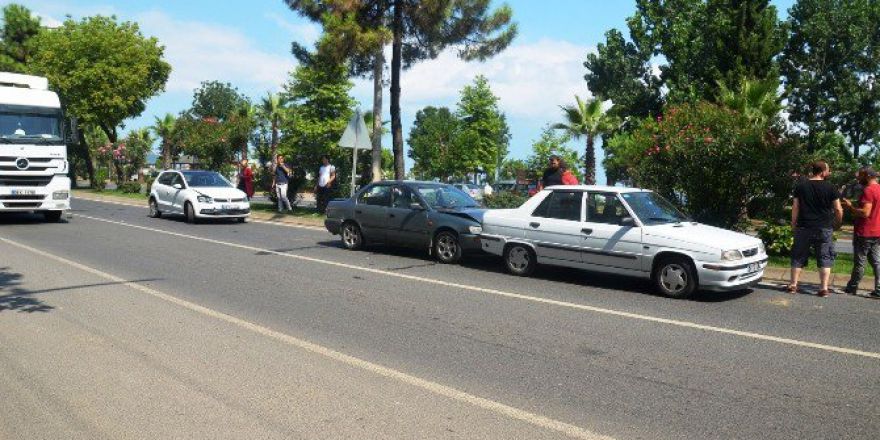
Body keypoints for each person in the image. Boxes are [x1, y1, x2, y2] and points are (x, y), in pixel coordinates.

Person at [788, 161, 844, 297]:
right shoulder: (831, 187)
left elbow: (795, 207)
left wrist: (793, 223)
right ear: (823, 171)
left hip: (804, 226)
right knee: (825, 256)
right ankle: (823, 288)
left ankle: (793, 285)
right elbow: (838, 208)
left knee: (798, 255)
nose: (829, 172)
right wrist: (838, 222)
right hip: (824, 227)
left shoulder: (801, 186)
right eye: (828, 170)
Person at [842, 167, 880, 298]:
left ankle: (852, 287)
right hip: (877, 231)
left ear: (868, 176)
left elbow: (865, 213)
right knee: (876, 261)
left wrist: (850, 207)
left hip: (864, 231)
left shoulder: (868, 191)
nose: (859, 179)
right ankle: (879, 288)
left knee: (860, 261)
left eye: (861, 176)